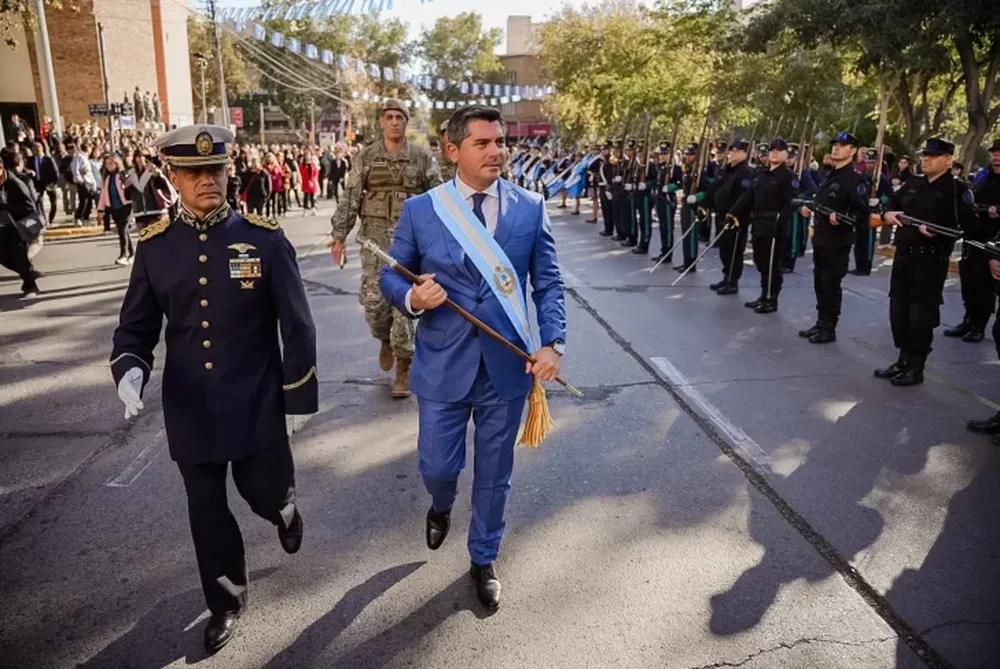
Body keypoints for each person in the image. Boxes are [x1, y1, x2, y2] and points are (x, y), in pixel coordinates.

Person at [109, 124, 316, 653]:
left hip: (254, 398)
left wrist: (298, 394)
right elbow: (136, 325)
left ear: (228, 172)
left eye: (216, 169)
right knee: (205, 508)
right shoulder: (156, 248)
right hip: (190, 405)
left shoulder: (264, 240)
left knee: (264, 489)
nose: (208, 180)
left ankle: (284, 510)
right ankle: (225, 601)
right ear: (173, 178)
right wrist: (130, 367)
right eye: (195, 172)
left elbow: (297, 324)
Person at [379, 105, 566, 611]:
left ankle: (484, 557)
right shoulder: (423, 209)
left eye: (500, 142)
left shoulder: (530, 206)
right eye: (482, 143)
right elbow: (392, 274)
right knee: (437, 465)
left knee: (494, 474)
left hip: (507, 364)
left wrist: (553, 343)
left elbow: (548, 283)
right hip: (443, 362)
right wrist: (413, 298)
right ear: (452, 151)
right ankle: (441, 504)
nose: (496, 151)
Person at [329, 99, 442, 398]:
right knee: (375, 308)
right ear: (381, 121)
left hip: (409, 246)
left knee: (404, 307)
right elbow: (351, 197)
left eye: (399, 117)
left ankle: (403, 368)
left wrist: (441, 240)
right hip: (374, 245)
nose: (394, 122)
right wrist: (339, 237)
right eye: (389, 117)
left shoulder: (421, 157)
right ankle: (385, 340)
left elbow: (439, 199)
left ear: (406, 121)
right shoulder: (366, 157)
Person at [875, 138, 979, 386]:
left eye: (933, 156)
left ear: (948, 160)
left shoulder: (957, 190)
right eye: (925, 155)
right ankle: (902, 360)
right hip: (903, 257)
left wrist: (939, 233)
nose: (926, 160)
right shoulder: (914, 183)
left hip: (930, 261)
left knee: (921, 316)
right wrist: (887, 213)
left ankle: (915, 366)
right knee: (899, 311)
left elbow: (971, 225)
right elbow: (892, 202)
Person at [797, 131, 870, 343]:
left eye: (842, 145)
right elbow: (822, 202)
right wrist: (810, 208)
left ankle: (829, 328)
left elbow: (862, 213)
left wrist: (842, 218)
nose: (836, 148)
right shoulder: (830, 175)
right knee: (819, 283)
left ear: (853, 151)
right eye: (835, 144)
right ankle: (820, 322)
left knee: (830, 285)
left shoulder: (855, 179)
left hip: (838, 242)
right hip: (821, 238)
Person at [729, 138, 797, 314]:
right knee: (760, 262)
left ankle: (771, 299)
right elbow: (748, 195)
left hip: (774, 226)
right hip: (758, 223)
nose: (774, 153)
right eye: (772, 150)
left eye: (778, 150)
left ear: (785, 154)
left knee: (772, 265)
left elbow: (790, 204)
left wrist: (780, 225)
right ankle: (763, 295)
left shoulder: (788, 176)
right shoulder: (761, 173)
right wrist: (733, 212)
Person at [964, 139, 1000, 438]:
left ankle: (977, 324)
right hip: (981, 244)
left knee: (984, 291)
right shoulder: (984, 177)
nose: (996, 157)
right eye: (995, 152)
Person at [705, 139, 754, 294]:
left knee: (734, 251)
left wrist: (734, 213)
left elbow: (745, 197)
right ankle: (726, 276)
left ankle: (733, 281)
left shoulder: (747, 172)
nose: (733, 153)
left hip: (737, 219)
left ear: (745, 154)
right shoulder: (724, 169)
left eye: (738, 151)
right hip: (722, 215)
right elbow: (714, 189)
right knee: (724, 250)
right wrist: (704, 205)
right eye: (732, 150)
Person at [0, 158, 42, 296]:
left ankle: (30, 286)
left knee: (19, 256)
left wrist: (5, 207)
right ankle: (28, 273)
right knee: (3, 257)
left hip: (18, 227)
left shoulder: (15, 184)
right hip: (3, 226)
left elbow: (29, 207)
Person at [96, 153, 135, 265]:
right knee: (123, 231)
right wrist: (101, 210)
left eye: (111, 163)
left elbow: (130, 185)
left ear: (117, 163)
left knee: (122, 230)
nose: (109, 166)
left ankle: (123, 255)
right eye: (107, 163)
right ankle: (132, 253)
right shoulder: (107, 178)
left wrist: (123, 173)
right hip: (114, 208)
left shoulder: (122, 174)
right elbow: (103, 195)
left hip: (126, 206)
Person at [29, 141, 58, 225]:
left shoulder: (48, 159)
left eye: (37, 148)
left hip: (49, 183)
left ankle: (51, 218)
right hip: (38, 184)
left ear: (42, 149)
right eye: (34, 149)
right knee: (39, 202)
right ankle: (43, 219)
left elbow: (55, 172)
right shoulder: (30, 160)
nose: (36, 151)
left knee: (53, 202)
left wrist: (53, 183)